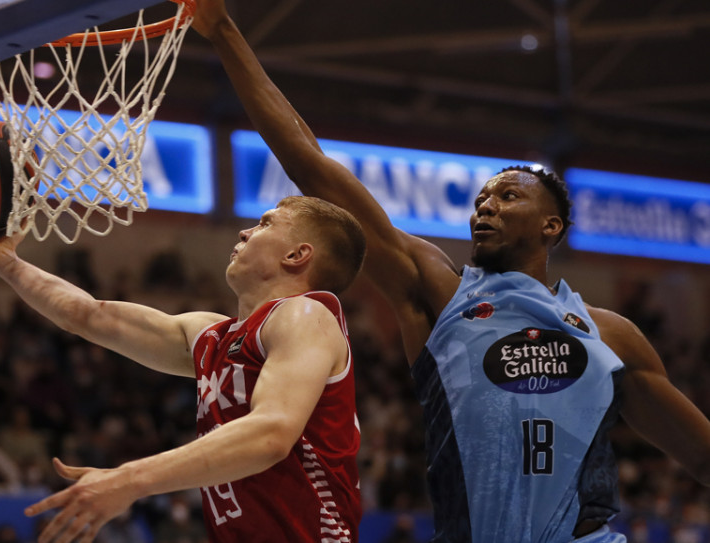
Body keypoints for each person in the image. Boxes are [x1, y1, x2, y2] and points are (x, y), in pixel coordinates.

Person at [190, 1, 710, 542]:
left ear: (551, 226)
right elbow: (310, 165)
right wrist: (224, 31)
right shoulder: (439, 292)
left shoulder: (612, 335)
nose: (486, 205)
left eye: (509, 196)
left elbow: (701, 454)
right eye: (482, 198)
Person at [0, 194, 367, 542]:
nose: (245, 229)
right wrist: (0, 257)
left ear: (297, 254)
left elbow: (271, 434)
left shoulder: (306, 316)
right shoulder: (214, 337)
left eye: (265, 223)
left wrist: (129, 479)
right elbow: (88, 315)